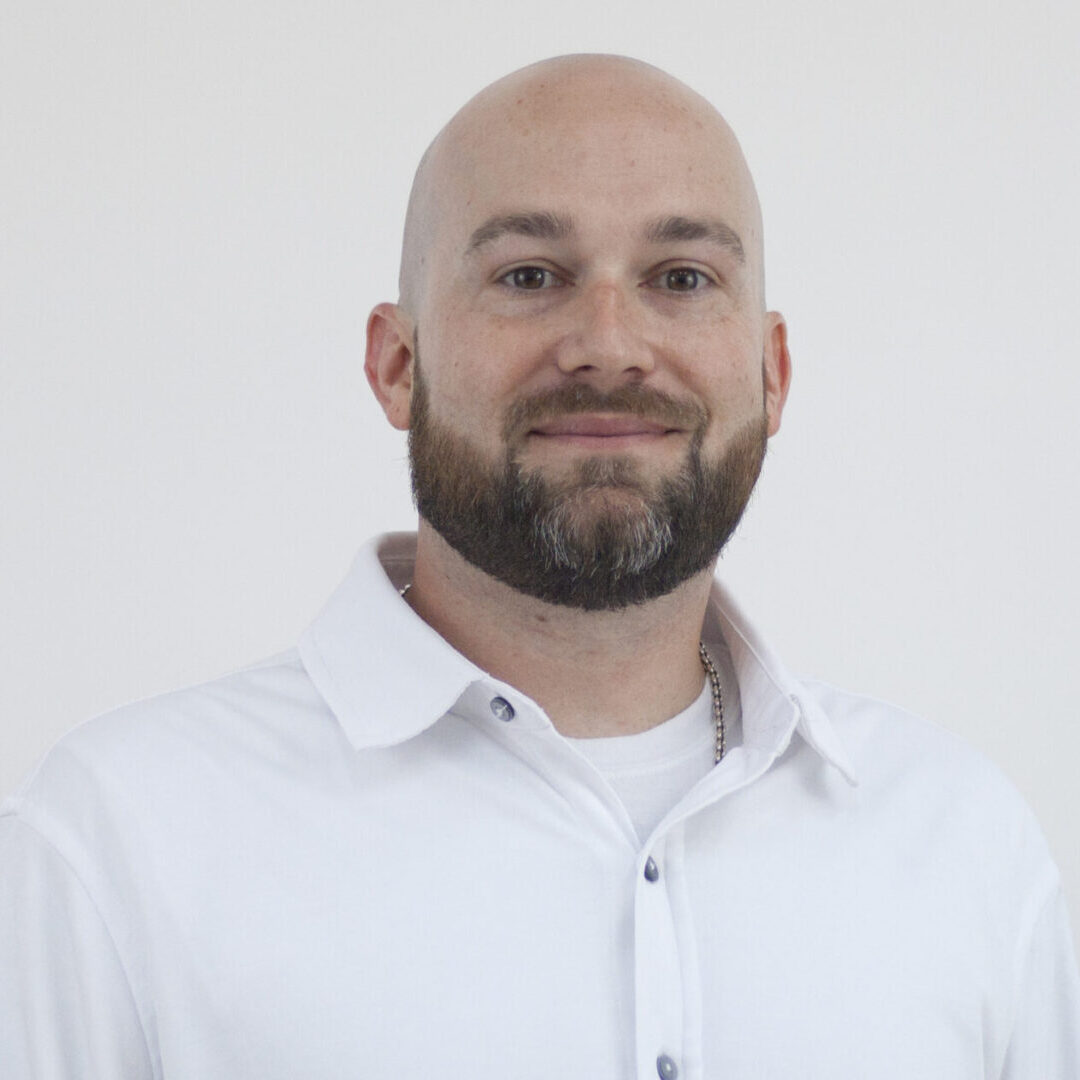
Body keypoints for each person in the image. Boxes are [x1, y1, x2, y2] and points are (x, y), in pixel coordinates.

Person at [1, 53, 1077, 1079]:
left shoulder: (966, 845)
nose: (607, 343)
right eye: (528, 274)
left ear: (772, 372)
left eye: (681, 276)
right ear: (396, 365)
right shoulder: (116, 841)